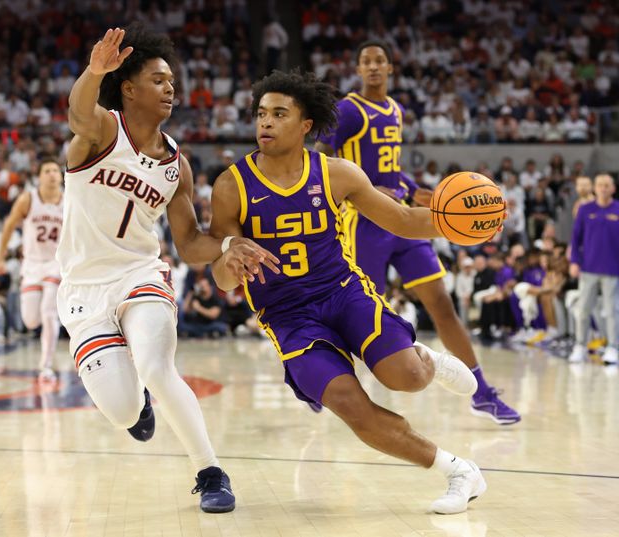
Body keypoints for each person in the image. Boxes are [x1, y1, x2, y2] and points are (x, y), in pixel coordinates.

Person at [210, 69, 486, 515]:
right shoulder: (231, 185)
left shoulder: (337, 173)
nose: (266, 122)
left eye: (279, 114)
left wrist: (459, 227)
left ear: (305, 125)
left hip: (343, 292)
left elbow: (400, 219)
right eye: (261, 114)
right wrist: (229, 261)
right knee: (349, 405)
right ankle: (459, 471)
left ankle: (428, 359)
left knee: (408, 378)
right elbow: (222, 280)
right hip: (288, 315)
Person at [57, 25, 278, 514]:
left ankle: (211, 472)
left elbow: (190, 243)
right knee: (121, 412)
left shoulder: (177, 165)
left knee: (158, 367)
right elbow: (77, 113)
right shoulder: (101, 131)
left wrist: (227, 244)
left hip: (141, 274)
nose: (170, 88)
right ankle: (139, 406)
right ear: (129, 88)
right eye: (158, 80)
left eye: (172, 81)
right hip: (83, 288)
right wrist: (95, 71)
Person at [315, 40, 520, 425]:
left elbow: (390, 167)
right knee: (357, 313)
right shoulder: (348, 110)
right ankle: (320, 378)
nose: (373, 67)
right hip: (364, 221)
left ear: (391, 68)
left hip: (404, 219)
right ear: (358, 70)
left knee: (441, 303)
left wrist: (413, 188)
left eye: (379, 61)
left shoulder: (395, 110)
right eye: (365, 61)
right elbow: (321, 158)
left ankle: (482, 392)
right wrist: (367, 190)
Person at [0, 159, 64, 382]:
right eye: (47, 170)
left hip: (56, 263)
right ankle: (49, 323)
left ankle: (46, 366)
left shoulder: (70, 201)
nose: (52, 174)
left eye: (55, 170)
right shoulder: (28, 198)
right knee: (31, 321)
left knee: (48, 312)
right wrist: (0, 257)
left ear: (61, 176)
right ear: (40, 176)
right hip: (32, 265)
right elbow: (8, 225)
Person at [568, 174, 619, 365]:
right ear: (594, 188)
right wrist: (574, 261)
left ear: (613, 188)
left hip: (613, 269)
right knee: (583, 309)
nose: (603, 189)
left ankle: (613, 347)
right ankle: (580, 346)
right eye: (600, 185)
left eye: (607, 185)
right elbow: (576, 238)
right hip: (588, 267)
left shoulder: (618, 209)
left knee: (612, 310)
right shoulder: (585, 210)